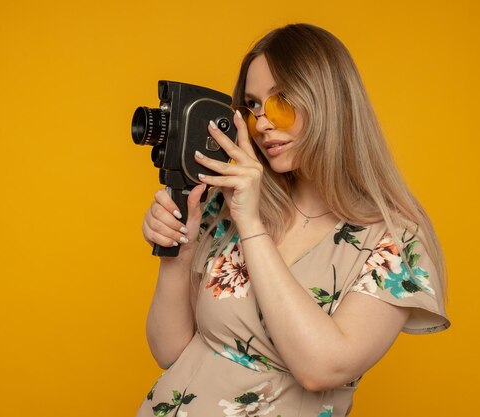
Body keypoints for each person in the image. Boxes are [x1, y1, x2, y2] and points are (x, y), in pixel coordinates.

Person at [136, 23, 449, 417]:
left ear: (329, 102)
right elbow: (170, 352)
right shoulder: (227, 204)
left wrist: (251, 226)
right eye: (252, 106)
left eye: (280, 100)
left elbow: (322, 369)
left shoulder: (395, 240)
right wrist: (178, 254)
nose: (263, 122)